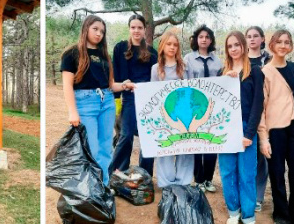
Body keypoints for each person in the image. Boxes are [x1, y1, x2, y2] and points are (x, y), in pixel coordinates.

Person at [258, 29, 294, 224]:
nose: (283, 45)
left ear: (290, 46)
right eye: (279, 42)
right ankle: (280, 213)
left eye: (287, 42)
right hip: (275, 129)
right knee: (277, 172)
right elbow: (261, 107)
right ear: (271, 45)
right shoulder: (264, 72)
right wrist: (264, 138)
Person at [61, 15, 128, 185]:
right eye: (95, 29)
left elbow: (111, 84)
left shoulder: (104, 55)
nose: (99, 34)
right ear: (86, 29)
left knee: (105, 148)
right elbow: (67, 85)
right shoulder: (72, 53)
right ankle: (89, 188)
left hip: (107, 102)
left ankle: (102, 187)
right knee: (91, 149)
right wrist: (72, 111)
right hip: (85, 103)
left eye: (102, 31)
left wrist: (125, 85)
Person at [218, 31, 264, 224]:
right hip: (225, 128)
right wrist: (224, 80)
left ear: (244, 46)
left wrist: (249, 133)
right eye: (230, 46)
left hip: (246, 127)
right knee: (227, 171)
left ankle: (248, 217)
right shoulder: (222, 72)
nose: (234, 49)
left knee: (247, 173)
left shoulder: (254, 72)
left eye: (237, 44)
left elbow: (257, 105)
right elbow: (215, 103)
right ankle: (233, 211)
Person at [110, 14, 157, 176]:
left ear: (145, 30)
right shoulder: (120, 48)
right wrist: (117, 100)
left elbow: (155, 77)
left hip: (147, 99)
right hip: (128, 97)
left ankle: (144, 174)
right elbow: (115, 74)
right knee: (126, 135)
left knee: (147, 137)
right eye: (133, 27)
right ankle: (117, 172)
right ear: (129, 29)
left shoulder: (151, 52)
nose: (136, 31)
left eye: (140, 27)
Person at [150, 30, 194, 188]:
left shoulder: (185, 67)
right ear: (162, 46)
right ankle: (166, 184)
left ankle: (184, 182)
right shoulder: (156, 69)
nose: (172, 47)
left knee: (185, 149)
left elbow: (192, 90)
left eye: (175, 45)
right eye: (169, 44)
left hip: (184, 115)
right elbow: (153, 94)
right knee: (165, 149)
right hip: (164, 115)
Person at [183, 25, 221, 193]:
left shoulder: (217, 60)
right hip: (195, 106)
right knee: (198, 143)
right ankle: (198, 179)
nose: (204, 39)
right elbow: (184, 82)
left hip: (213, 106)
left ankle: (208, 179)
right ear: (196, 39)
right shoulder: (188, 59)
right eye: (200, 36)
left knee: (212, 143)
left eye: (207, 36)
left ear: (211, 40)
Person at [246, 26, 271, 210]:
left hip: (269, 112)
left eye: (256, 36)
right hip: (248, 112)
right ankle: (246, 192)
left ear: (262, 39)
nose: (252, 39)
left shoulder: (270, 60)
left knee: (263, 155)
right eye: (249, 36)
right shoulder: (241, 60)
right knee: (249, 154)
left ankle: (258, 196)